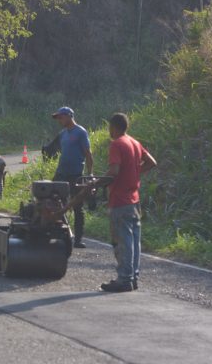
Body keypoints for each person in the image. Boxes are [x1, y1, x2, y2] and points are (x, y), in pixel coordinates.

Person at [101, 113, 157, 293]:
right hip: (134, 199)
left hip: (120, 200)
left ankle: (124, 279)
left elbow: (114, 171)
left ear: (114, 127)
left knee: (122, 241)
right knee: (134, 241)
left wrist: (98, 183)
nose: (109, 131)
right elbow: (152, 162)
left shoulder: (117, 144)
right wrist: (134, 172)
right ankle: (133, 278)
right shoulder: (134, 142)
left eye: (110, 127)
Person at [52, 106, 94, 248]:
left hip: (75, 174)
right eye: (58, 118)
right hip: (61, 173)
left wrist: (90, 174)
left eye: (61, 117)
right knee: (55, 202)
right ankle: (62, 234)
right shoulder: (63, 134)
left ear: (70, 116)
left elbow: (88, 154)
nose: (60, 120)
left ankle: (78, 239)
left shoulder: (80, 132)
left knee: (77, 206)